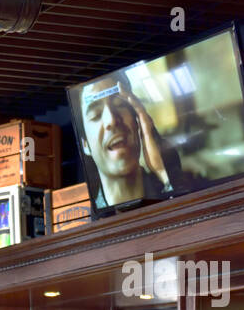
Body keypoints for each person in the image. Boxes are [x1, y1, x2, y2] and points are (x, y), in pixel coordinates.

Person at [77, 74, 195, 212]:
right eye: (95, 115)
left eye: (120, 105)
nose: (111, 120)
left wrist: (163, 173)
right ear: (85, 144)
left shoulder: (182, 183)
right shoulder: (88, 223)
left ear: (138, 121)